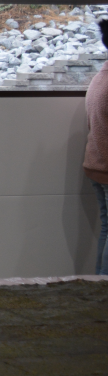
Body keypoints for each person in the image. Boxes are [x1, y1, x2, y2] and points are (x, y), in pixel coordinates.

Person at [82, 21, 108, 275]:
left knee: (106, 228)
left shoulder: (100, 77)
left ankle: (100, 285)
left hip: (96, 164)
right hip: (106, 167)